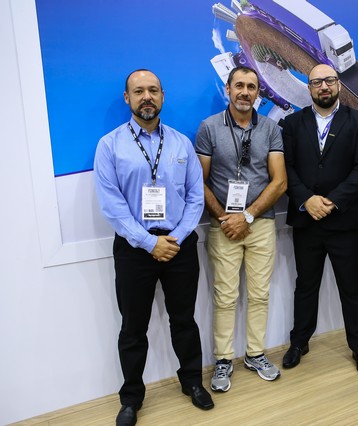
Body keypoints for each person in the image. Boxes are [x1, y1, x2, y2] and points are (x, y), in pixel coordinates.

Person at [94, 69, 214, 426]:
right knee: (133, 327)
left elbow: (195, 196)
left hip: (179, 246)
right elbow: (112, 205)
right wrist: (149, 243)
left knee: (184, 320)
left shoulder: (181, 143)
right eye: (139, 91)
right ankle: (131, 398)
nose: (147, 97)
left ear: (162, 96)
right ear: (127, 98)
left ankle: (192, 382)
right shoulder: (109, 146)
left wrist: (175, 237)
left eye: (153, 90)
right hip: (135, 250)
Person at [195, 66, 287, 392]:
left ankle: (255, 354)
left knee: (260, 294)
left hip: (260, 223)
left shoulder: (271, 129)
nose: (245, 92)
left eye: (251, 86)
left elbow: (279, 181)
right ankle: (223, 359)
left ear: (258, 92)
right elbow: (199, 181)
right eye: (239, 86)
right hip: (223, 226)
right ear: (228, 89)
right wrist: (225, 218)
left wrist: (246, 216)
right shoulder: (209, 128)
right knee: (225, 296)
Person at [281, 64, 358, 377]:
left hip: (344, 221)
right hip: (306, 220)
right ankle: (299, 342)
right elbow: (286, 168)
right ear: (309, 87)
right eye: (317, 82)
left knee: (353, 287)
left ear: (339, 85)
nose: (324, 86)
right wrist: (306, 199)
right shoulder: (292, 123)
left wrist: (332, 201)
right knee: (305, 286)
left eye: (330, 81)